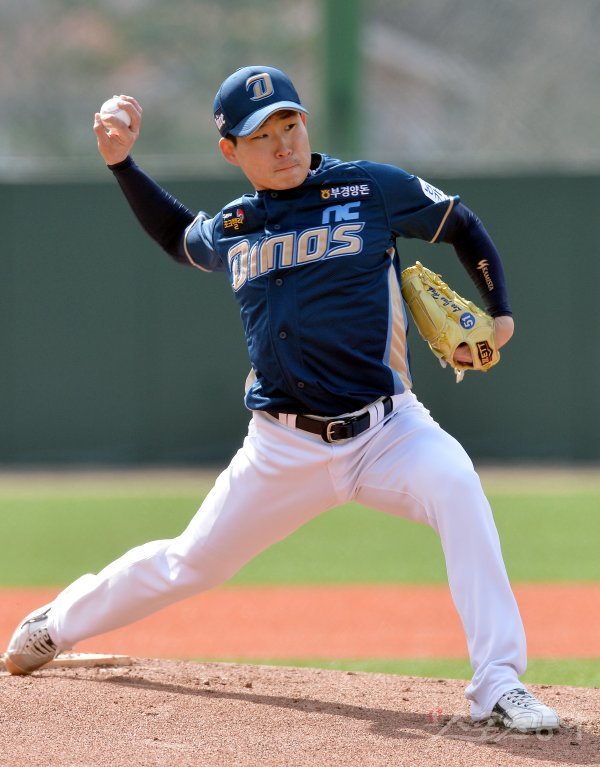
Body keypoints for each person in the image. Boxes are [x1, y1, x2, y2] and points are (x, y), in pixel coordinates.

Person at [5, 65, 559, 733]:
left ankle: (498, 682)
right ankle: (59, 622)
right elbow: (179, 238)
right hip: (282, 445)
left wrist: (500, 310)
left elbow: (459, 222)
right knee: (191, 561)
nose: (284, 144)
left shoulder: (369, 188)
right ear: (230, 150)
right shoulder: (237, 224)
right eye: (261, 136)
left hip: (387, 430)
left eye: (290, 125)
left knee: (457, 485)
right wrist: (122, 165)